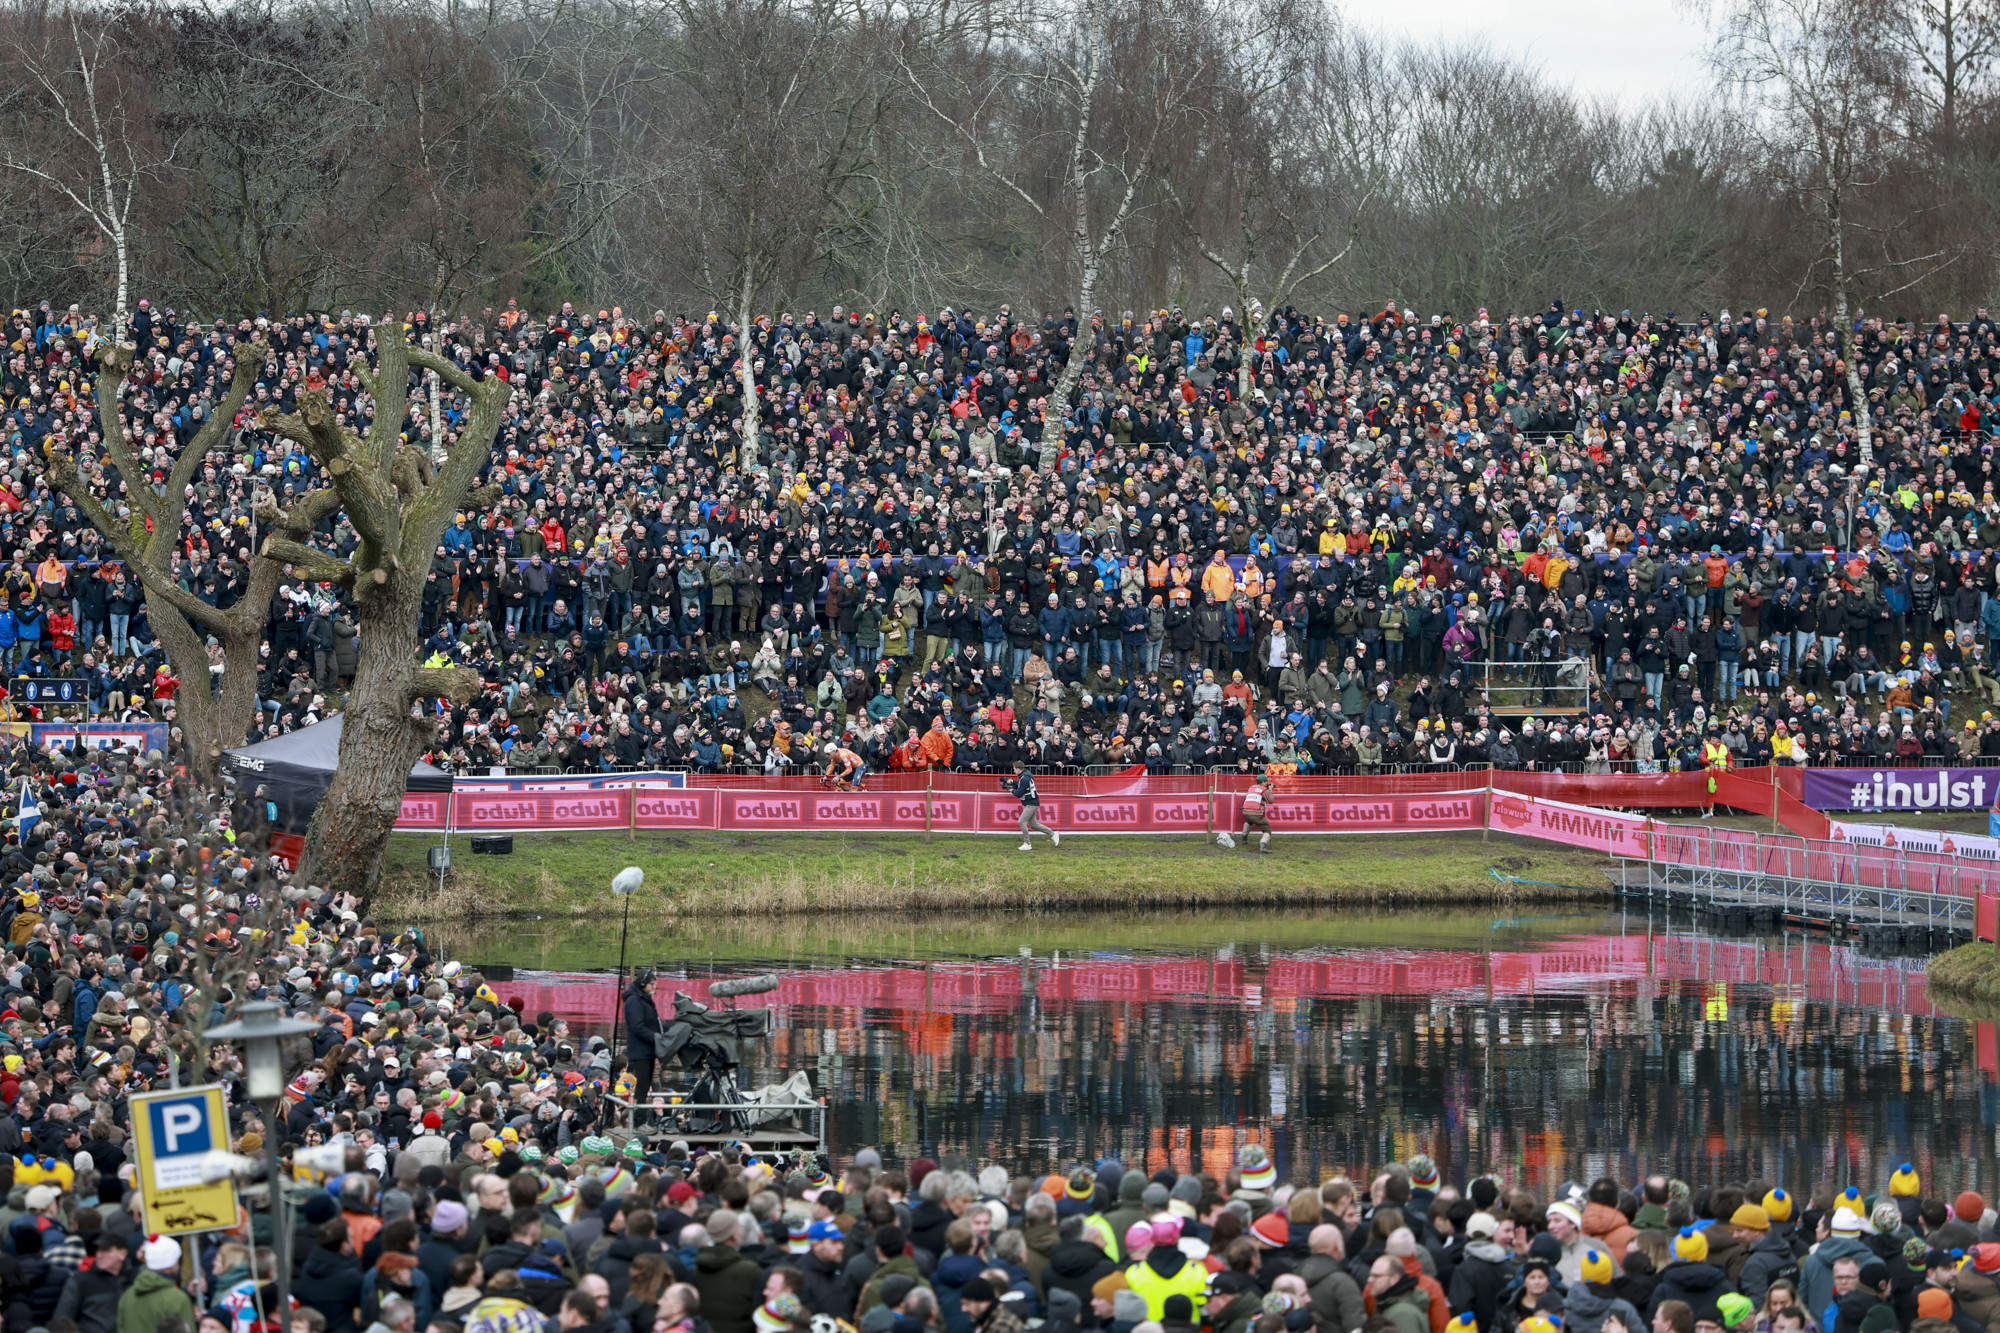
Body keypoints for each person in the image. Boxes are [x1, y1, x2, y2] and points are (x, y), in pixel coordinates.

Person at [1003, 759, 1059, 852]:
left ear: (1018, 769)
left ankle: (1027, 843)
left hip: (1031, 804)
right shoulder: (1026, 775)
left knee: (1021, 821)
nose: (1013, 771)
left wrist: (1010, 789)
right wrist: (1012, 782)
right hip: (1032, 802)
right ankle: (1052, 834)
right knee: (1033, 824)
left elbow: (1018, 793)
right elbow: (1022, 785)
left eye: (1014, 769)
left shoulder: (1024, 778)